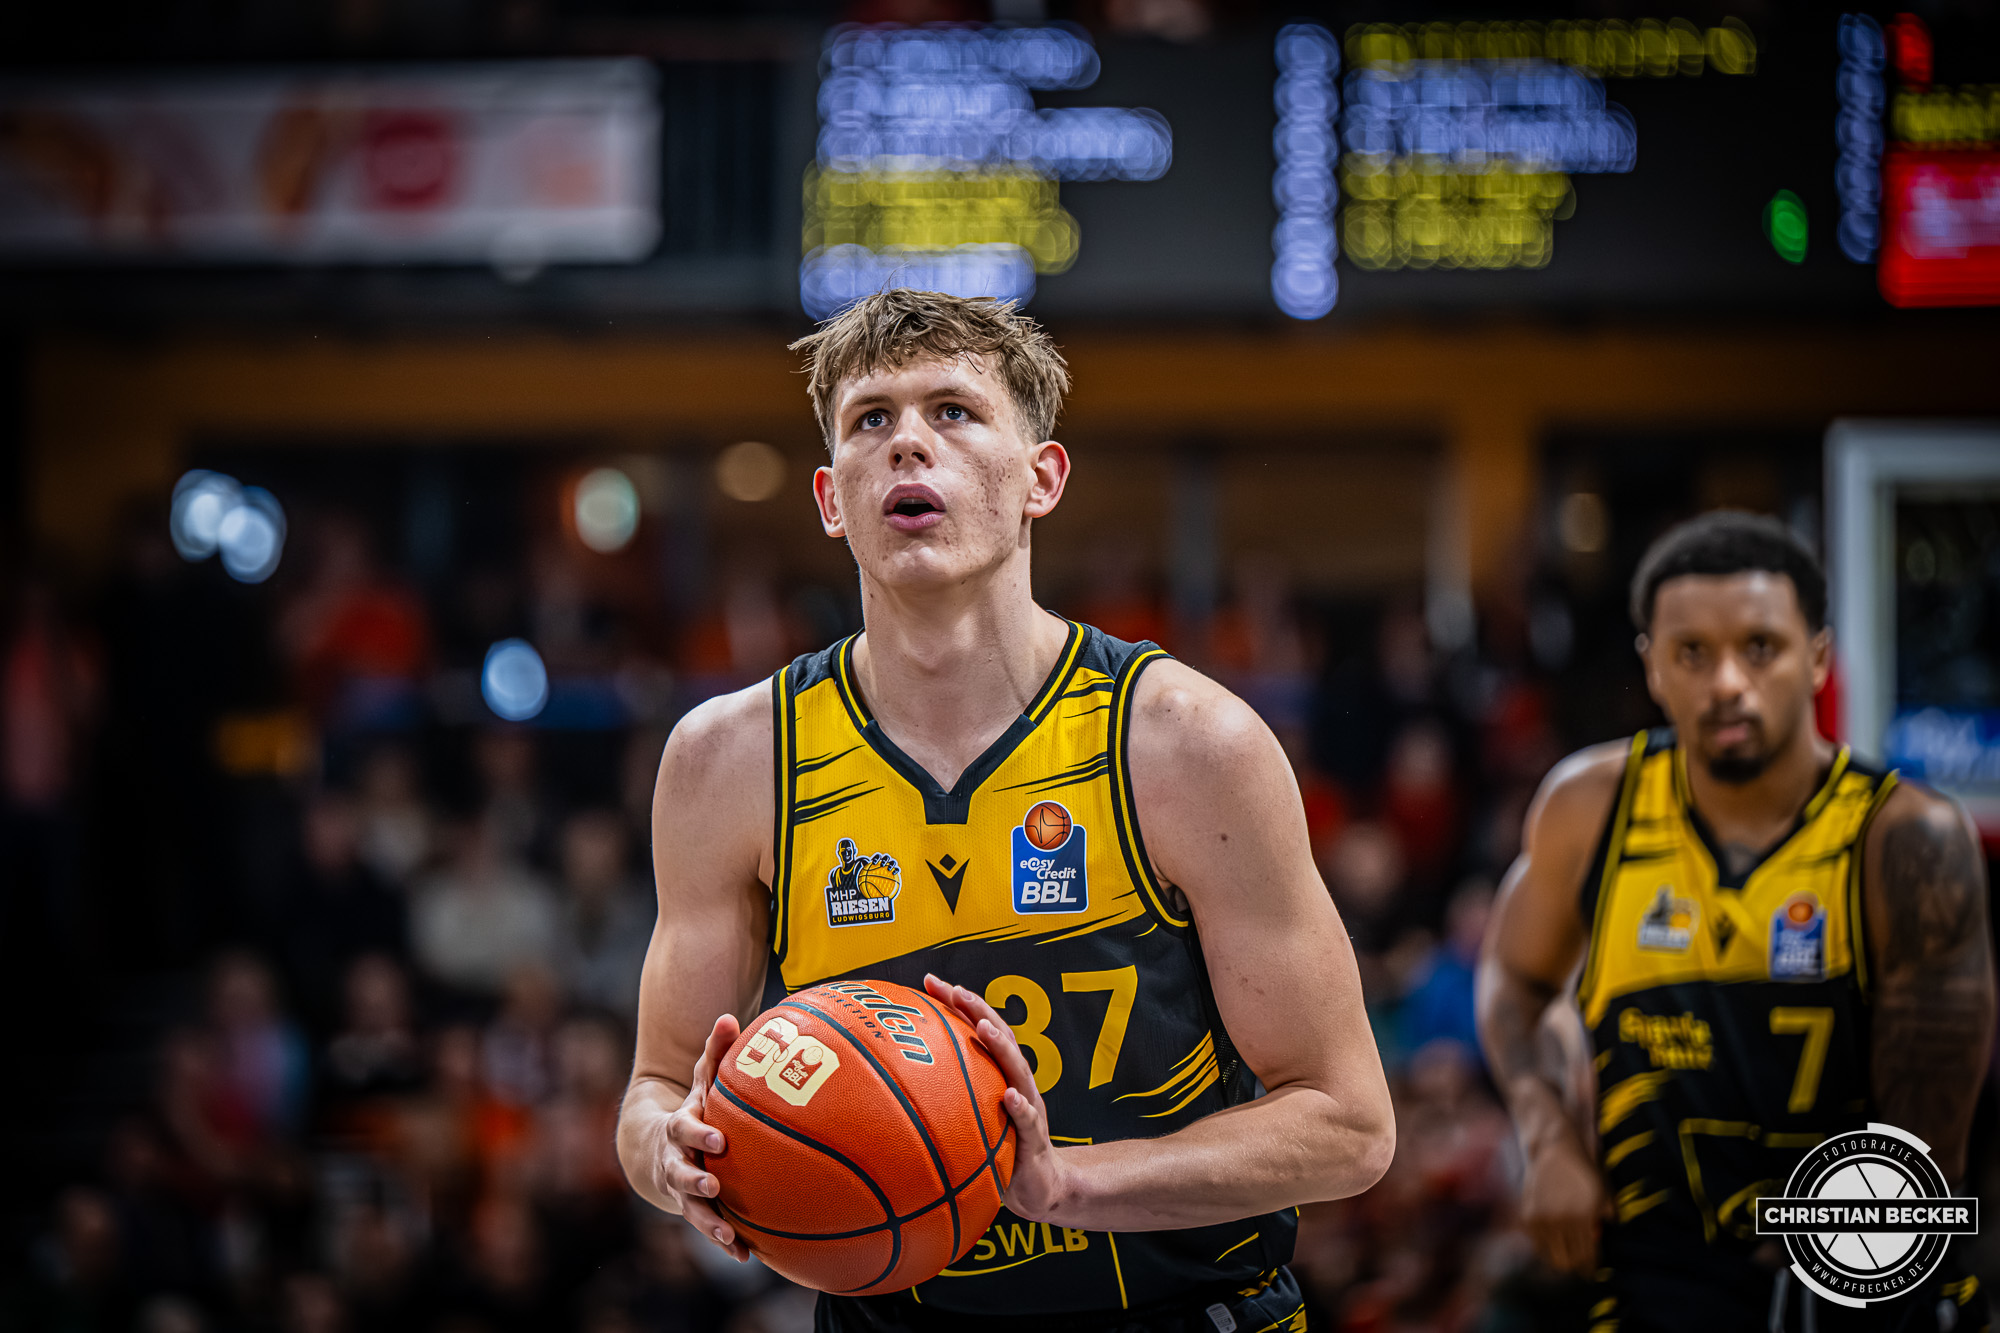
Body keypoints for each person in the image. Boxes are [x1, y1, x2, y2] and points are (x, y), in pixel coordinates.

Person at [616, 289, 1395, 1331]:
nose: (907, 443)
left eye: (953, 410)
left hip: (1184, 1311)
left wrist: (1065, 1184)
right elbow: (655, 1088)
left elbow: (1348, 1125)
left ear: (1042, 478)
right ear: (830, 499)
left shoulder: (1184, 742)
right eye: (870, 419)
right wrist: (675, 1155)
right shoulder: (729, 760)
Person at [1475, 511, 1995, 1333]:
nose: (1726, 682)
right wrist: (1547, 1139)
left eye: (1760, 647)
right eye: (1692, 652)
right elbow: (1514, 976)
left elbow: (1925, 1155)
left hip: (1860, 1278)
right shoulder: (1587, 809)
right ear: (1651, 665)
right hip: (1650, 1273)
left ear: (1817, 657)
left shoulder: (1905, 840)